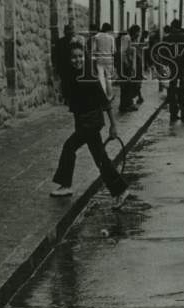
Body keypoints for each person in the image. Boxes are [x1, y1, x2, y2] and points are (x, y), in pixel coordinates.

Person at [49, 40, 130, 210]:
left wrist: (113, 126)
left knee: (71, 147)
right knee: (99, 158)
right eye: (73, 57)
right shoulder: (72, 76)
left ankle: (67, 185)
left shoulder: (89, 77)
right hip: (83, 122)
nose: (77, 60)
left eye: (80, 57)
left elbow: (105, 102)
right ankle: (119, 190)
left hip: (90, 122)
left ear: (84, 57)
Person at [164, 18, 184, 124]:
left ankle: (173, 113)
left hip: (172, 67)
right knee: (183, 90)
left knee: (172, 89)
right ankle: (183, 114)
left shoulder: (168, 38)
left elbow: (163, 52)